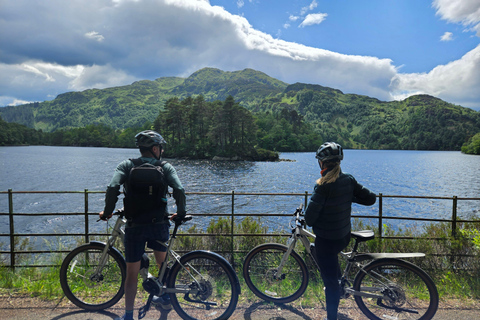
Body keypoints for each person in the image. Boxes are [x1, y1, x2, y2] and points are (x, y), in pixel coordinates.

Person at [99, 130, 186, 320]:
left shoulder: (127, 165)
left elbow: (113, 187)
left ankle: (128, 315)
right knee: (162, 263)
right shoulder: (166, 167)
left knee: (131, 274)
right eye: (160, 148)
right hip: (159, 224)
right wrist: (180, 214)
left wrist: (107, 213)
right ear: (155, 148)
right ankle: (164, 297)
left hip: (134, 226)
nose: (161, 151)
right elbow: (179, 189)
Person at [305, 142, 376, 320]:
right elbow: (371, 199)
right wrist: (346, 195)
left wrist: (340, 197)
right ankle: (340, 284)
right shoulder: (349, 180)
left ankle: (332, 316)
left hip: (327, 240)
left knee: (330, 284)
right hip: (343, 236)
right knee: (331, 261)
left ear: (322, 163)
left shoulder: (322, 186)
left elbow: (309, 219)